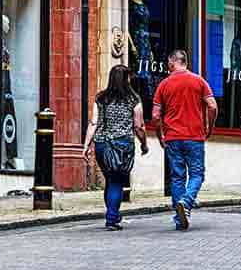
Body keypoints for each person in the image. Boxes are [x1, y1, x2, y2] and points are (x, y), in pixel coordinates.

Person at [151, 49, 216, 231]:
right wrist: (209, 127)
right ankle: (186, 202)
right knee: (197, 174)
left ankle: (180, 219)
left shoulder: (163, 85)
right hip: (195, 136)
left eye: (168, 64)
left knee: (177, 177)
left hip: (172, 137)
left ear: (172, 63)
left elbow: (156, 116)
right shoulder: (199, 81)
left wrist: (160, 135)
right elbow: (212, 106)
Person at [81, 64, 148, 229]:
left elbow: (94, 122)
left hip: (102, 144)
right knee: (117, 181)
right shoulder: (133, 99)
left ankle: (113, 213)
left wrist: (86, 145)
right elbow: (139, 126)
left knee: (110, 180)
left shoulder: (101, 98)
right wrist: (144, 144)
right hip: (122, 144)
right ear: (126, 79)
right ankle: (111, 218)